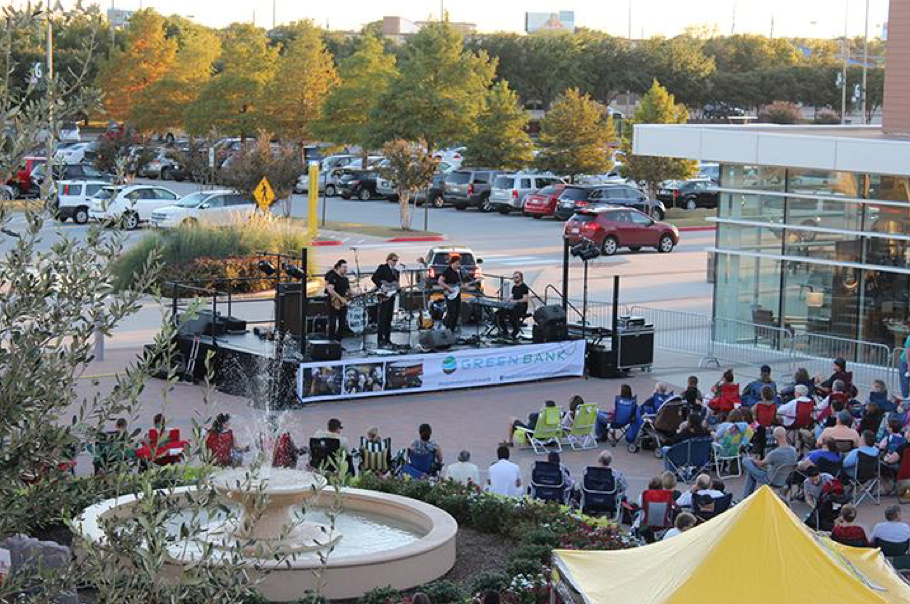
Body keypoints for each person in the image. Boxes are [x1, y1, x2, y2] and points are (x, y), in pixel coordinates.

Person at [742, 427, 798, 498]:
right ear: (785, 435)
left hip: (769, 479)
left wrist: (752, 459)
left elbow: (760, 464)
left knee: (745, 461)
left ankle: (746, 499)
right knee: (751, 473)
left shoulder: (775, 453)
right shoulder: (793, 450)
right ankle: (746, 498)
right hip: (784, 480)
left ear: (775, 437)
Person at [371, 253, 400, 347]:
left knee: (389, 319)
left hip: (391, 297)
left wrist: (398, 289)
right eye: (393, 260)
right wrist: (382, 286)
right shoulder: (382, 268)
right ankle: (380, 340)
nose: (395, 262)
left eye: (396, 261)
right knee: (382, 318)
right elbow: (374, 278)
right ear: (388, 260)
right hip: (383, 296)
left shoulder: (396, 272)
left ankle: (388, 339)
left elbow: (395, 284)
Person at [496, 271, 530, 339]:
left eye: (516, 277)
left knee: (512, 317)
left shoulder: (524, 287)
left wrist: (515, 301)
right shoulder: (514, 287)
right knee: (500, 314)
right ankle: (505, 331)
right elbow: (511, 296)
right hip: (513, 306)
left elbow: (525, 299)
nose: (514, 279)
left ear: (521, 278)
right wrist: (506, 301)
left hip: (521, 307)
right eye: (514, 277)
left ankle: (515, 331)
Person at [325, 259, 351, 341]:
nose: (346, 269)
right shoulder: (333, 277)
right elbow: (330, 290)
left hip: (342, 304)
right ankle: (330, 343)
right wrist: (341, 298)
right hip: (333, 303)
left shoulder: (345, 279)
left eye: (346, 267)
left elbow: (349, 291)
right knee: (332, 324)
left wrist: (359, 293)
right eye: (344, 267)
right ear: (339, 267)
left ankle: (339, 342)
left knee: (342, 324)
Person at [438, 255, 463, 333]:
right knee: (451, 312)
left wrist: (464, 286)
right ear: (452, 263)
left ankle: (452, 328)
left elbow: (460, 283)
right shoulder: (447, 271)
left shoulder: (458, 272)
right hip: (450, 293)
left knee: (457, 312)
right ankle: (448, 328)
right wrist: (449, 288)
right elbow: (440, 281)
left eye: (458, 264)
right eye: (456, 263)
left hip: (457, 293)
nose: (457, 265)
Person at [900, 333, 910, 400]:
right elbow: (908, 350)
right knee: (905, 382)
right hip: (905, 362)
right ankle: (905, 399)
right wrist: (909, 364)